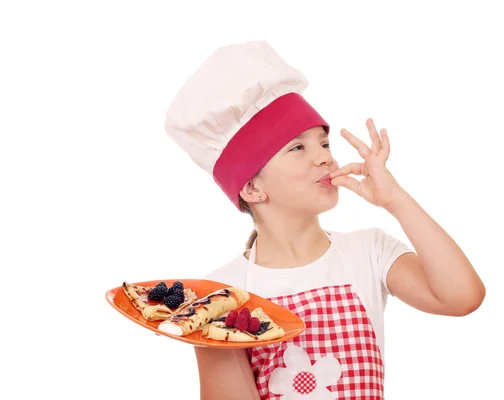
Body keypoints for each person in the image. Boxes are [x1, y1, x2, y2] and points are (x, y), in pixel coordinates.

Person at [164, 40, 485, 400]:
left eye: (325, 144)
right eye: (298, 148)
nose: (325, 159)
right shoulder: (222, 292)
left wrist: (395, 200)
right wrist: (210, 336)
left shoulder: (369, 251)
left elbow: (462, 298)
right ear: (253, 187)